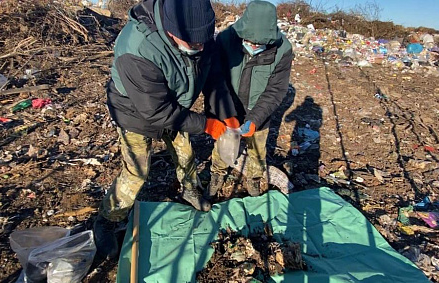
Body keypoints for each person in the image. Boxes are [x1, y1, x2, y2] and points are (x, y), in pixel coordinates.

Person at [95, 0, 239, 259]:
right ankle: (107, 219)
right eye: (194, 45)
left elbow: (214, 76)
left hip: (176, 106)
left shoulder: (199, 35)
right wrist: (207, 124)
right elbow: (157, 112)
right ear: (171, 32)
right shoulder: (136, 48)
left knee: (186, 156)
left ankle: (190, 189)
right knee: (137, 173)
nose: (201, 48)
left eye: (204, 42)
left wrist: (225, 113)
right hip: (135, 114)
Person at [207, 1, 293, 199]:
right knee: (222, 147)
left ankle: (253, 180)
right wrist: (226, 114)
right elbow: (216, 80)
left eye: (259, 44)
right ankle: (216, 176)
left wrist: (255, 118)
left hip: (258, 110)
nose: (254, 46)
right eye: (250, 41)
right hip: (228, 107)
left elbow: (276, 90)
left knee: (257, 150)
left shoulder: (283, 49)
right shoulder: (226, 40)